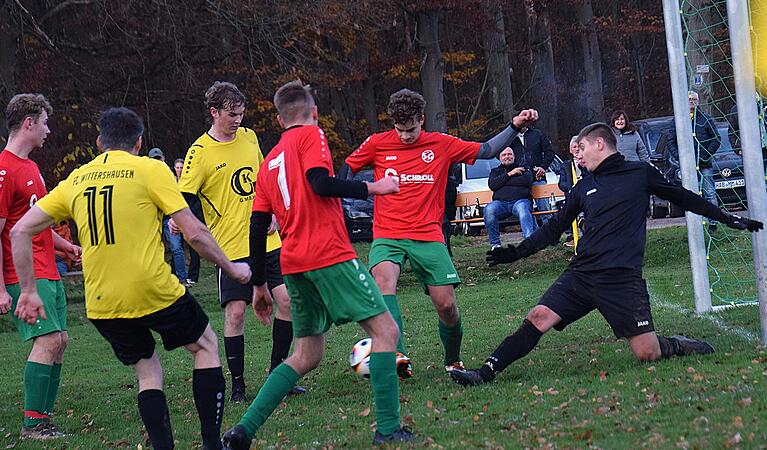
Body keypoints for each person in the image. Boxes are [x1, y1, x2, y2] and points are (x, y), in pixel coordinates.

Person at [449, 122, 763, 387]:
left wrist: (727, 217)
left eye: (581, 149)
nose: (578, 155)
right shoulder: (583, 187)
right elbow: (553, 228)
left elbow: (684, 197)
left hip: (621, 280)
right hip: (582, 274)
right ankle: (485, 372)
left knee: (647, 354)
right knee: (538, 317)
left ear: (600, 144)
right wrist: (516, 253)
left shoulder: (640, 173)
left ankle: (677, 344)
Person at [12, 107, 252, 450]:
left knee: (147, 369)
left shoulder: (78, 178)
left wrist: (28, 291)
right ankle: (212, 444)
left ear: (99, 142)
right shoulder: (150, 169)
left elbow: (20, 230)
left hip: (103, 303)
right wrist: (232, 268)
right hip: (151, 289)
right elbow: (194, 233)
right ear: (139, 142)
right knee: (206, 346)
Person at [221, 80, 411, 449]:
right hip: (329, 254)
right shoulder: (312, 136)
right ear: (314, 112)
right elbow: (320, 183)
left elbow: (257, 226)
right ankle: (388, 429)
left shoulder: (269, 160)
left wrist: (259, 285)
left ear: (278, 119)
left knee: (307, 354)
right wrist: (376, 188)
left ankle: (242, 431)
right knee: (386, 332)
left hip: (293, 264)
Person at [345, 88, 538, 372]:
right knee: (384, 283)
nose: (405, 136)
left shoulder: (441, 144)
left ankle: (452, 359)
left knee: (446, 306)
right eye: (400, 130)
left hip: (428, 234)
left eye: (410, 129)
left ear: (422, 119)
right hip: (388, 234)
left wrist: (514, 126)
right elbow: (346, 170)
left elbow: (486, 150)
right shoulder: (377, 143)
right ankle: (396, 356)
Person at [173, 81, 300, 402]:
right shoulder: (199, 153)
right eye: (231, 114)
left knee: (286, 303)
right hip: (230, 248)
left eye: (241, 113)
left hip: (268, 241)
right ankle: (239, 385)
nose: (238, 120)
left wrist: (271, 211)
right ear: (214, 112)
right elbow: (182, 197)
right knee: (236, 313)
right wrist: (177, 220)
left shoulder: (249, 137)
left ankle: (277, 375)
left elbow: (263, 179)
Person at [1, 93, 81, 440]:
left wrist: (65, 248)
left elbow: (35, 224)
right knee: (47, 340)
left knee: (60, 339)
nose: (49, 130)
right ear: (29, 123)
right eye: (45, 122)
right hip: (24, 273)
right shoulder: (4, 170)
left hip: (48, 268)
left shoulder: (31, 167)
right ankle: (33, 424)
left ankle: (44, 418)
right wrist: (1, 287)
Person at [668, 91, 721, 231]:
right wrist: (679, 157)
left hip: (704, 164)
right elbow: (670, 141)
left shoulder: (706, 119)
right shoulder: (678, 120)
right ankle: (695, 224)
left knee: (709, 192)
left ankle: (713, 223)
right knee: (691, 194)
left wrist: (705, 154)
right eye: (689, 99)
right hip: (687, 166)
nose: (691, 101)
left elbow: (716, 139)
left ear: (698, 101)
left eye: (694, 99)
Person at [149, 148, 190, 285]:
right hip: (152, 219)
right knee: (152, 250)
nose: (157, 162)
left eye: (158, 159)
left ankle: (182, 279)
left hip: (168, 218)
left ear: (163, 159)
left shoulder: (170, 177)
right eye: (154, 159)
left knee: (176, 248)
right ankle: (156, 281)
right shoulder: (145, 176)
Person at [484, 147, 536, 249]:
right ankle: (496, 245)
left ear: (514, 156)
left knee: (523, 210)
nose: (507, 157)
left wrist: (503, 181)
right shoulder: (495, 171)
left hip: (520, 201)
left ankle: (529, 243)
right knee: (489, 209)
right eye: (504, 155)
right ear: (500, 158)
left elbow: (527, 181)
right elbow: (493, 185)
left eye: (509, 154)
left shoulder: (523, 166)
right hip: (501, 204)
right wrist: (510, 174)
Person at [510, 125, 556, 217]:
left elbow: (550, 152)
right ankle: (532, 231)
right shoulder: (509, 138)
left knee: (545, 210)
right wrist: (512, 170)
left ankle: (550, 230)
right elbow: (501, 155)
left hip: (537, 177)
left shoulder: (537, 134)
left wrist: (543, 167)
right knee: (526, 212)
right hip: (519, 180)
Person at [174, 158, 202, 284]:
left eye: (181, 167)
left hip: (191, 216)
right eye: (177, 167)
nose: (179, 170)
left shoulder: (190, 181)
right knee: (176, 247)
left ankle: (193, 276)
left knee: (193, 246)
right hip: (175, 218)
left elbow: (195, 200)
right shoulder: (172, 181)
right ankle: (176, 275)